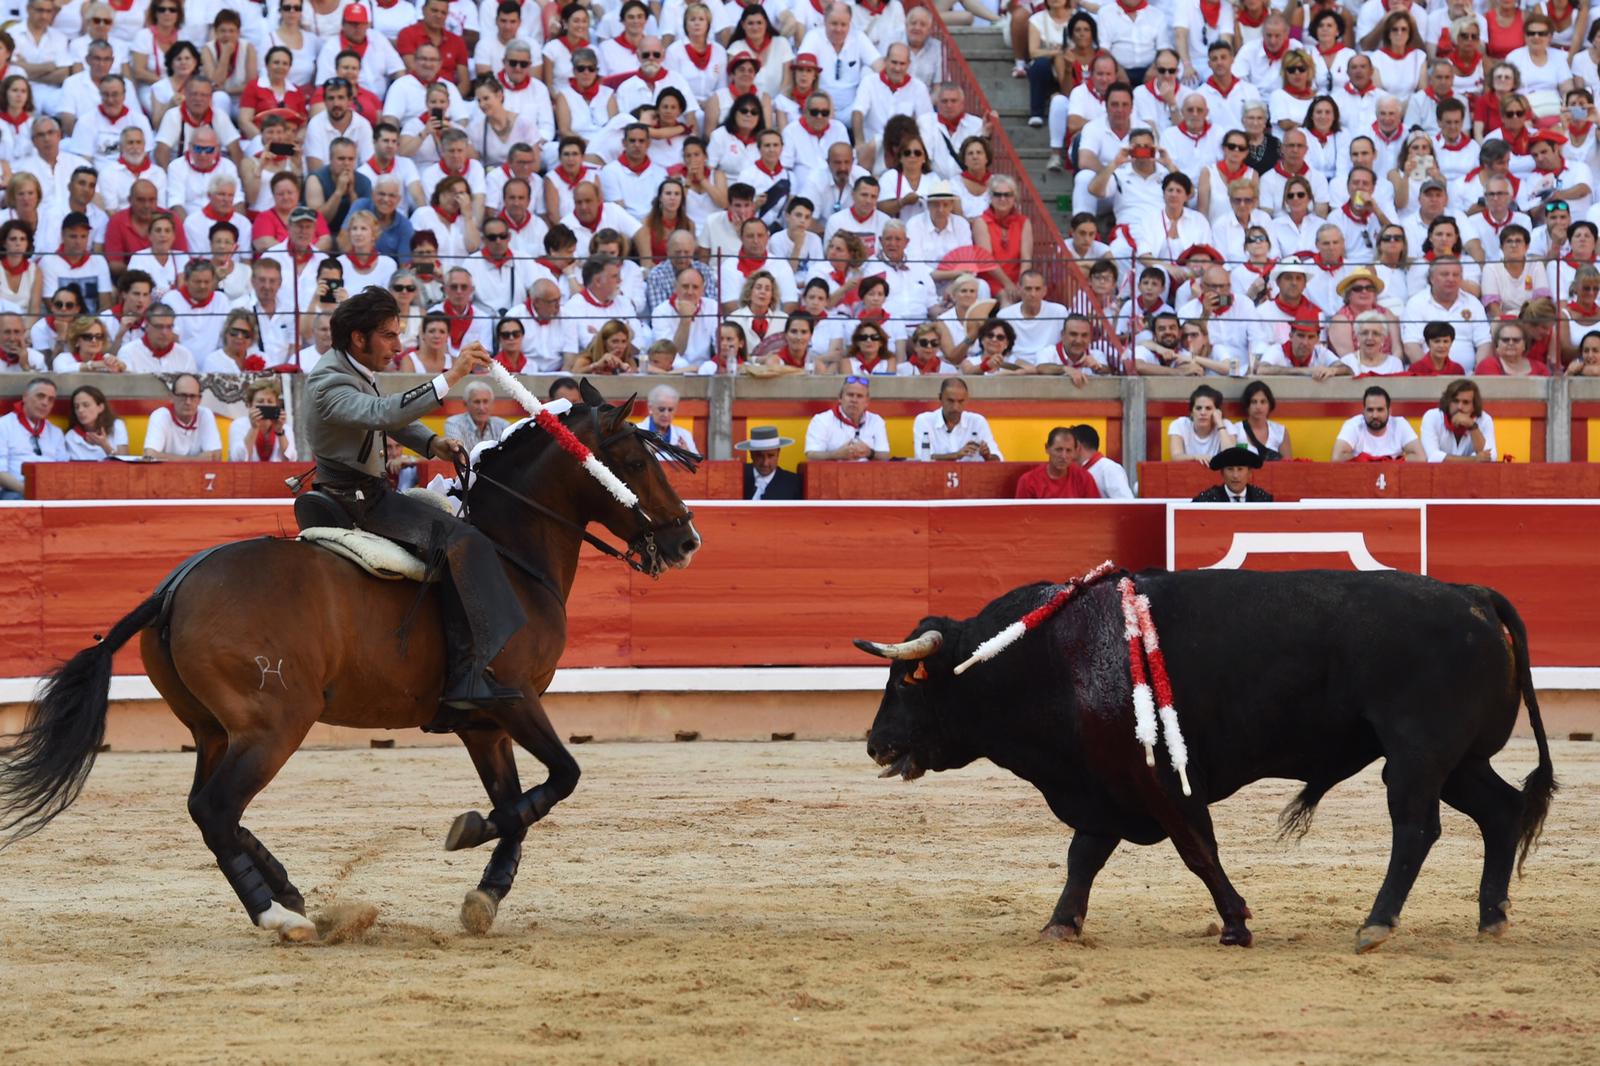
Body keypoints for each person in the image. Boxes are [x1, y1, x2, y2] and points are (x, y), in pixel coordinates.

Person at [303, 285, 522, 715]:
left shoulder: (348, 366)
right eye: (389, 335)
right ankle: (465, 676)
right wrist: (453, 375)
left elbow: (384, 413)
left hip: (361, 490)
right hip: (359, 500)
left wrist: (432, 442)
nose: (398, 346)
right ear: (358, 338)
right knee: (464, 542)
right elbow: (380, 414)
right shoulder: (328, 381)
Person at [0, 376, 66, 498]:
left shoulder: (56, 432)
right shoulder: (3, 425)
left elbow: (63, 469)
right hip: (14, 491)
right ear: (25, 397)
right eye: (40, 396)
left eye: (51, 399)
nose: (45, 403)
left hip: (50, 491)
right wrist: (30, 491)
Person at [911, 378, 1002, 462]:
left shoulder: (977, 421)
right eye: (950, 401)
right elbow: (922, 459)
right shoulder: (924, 421)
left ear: (967, 399)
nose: (955, 407)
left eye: (961, 401)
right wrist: (956, 455)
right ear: (940, 398)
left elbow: (998, 460)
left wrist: (987, 456)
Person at [804, 375, 889, 461]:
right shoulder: (821, 420)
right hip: (833, 469)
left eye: (859, 396)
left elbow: (885, 456)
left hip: (867, 469)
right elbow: (812, 455)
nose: (854, 400)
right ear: (840, 398)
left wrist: (870, 453)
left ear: (867, 402)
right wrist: (836, 455)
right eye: (850, 395)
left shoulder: (876, 421)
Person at [1332, 385, 1426, 462]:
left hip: (1392, 475)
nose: (1375, 415)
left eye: (1380, 410)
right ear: (1363, 411)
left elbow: (1420, 457)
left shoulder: (1400, 424)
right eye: (1370, 410)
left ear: (1389, 411)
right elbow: (1337, 458)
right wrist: (1375, 462)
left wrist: (1387, 463)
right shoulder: (1353, 425)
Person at [143, 373, 222, 460]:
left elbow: (216, 457)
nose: (188, 402)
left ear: (199, 400)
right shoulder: (160, 416)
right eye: (183, 396)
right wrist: (195, 460)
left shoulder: (205, 414)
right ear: (172, 397)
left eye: (193, 396)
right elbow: (149, 456)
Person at [1419, 379, 1497, 463]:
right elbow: (1432, 457)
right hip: (1439, 471)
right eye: (1455, 401)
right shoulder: (1432, 416)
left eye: (1466, 402)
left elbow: (1490, 457)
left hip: (1472, 471)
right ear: (1448, 402)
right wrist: (1474, 459)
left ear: (1474, 405)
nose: (1460, 407)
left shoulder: (1484, 419)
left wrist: (1472, 426)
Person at [1014, 426, 1100, 499]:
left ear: (1075, 451)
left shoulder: (1084, 479)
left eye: (1069, 450)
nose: (1063, 456)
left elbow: (1095, 511)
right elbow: (1021, 513)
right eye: (1059, 450)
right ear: (1047, 448)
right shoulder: (1028, 481)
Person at [227, 379, 295, 463]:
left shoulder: (285, 428)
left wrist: (280, 432)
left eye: (270, 402)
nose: (266, 405)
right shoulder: (239, 425)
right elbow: (239, 459)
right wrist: (254, 428)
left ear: (276, 404)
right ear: (250, 404)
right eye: (260, 401)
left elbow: (290, 460)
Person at [1169, 384, 1235, 463]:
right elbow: (1176, 457)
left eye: (1208, 408)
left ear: (1217, 412)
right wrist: (1196, 457)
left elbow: (1231, 457)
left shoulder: (1225, 425)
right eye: (1198, 408)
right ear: (1191, 412)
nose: (1203, 412)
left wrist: (1220, 424)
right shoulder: (1180, 424)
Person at [736, 424, 802, 501]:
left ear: (778, 453)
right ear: (751, 454)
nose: (765, 463)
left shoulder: (793, 483)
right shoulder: (737, 476)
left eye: (770, 456)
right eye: (759, 456)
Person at [64, 384, 128, 461]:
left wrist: (104, 445)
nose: (80, 410)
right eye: (76, 407)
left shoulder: (117, 425)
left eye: (86, 405)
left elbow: (124, 461)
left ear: (100, 407)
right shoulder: (71, 437)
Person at [1069, 424, 1134, 499]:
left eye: (1069, 446)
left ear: (1078, 445)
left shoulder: (1109, 469)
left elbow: (1125, 502)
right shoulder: (1073, 471)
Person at [1192, 445, 1273, 503]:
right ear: (1222, 473)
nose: (1235, 475)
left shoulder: (1262, 499)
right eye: (1230, 469)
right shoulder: (1207, 500)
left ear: (1249, 473)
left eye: (1240, 469)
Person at [443, 379, 508, 449]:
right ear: (466, 404)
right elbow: (459, 453)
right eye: (477, 402)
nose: (481, 407)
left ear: (492, 404)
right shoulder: (454, 424)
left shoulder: (503, 426)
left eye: (485, 401)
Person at [637, 384, 698, 454]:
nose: (666, 414)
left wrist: (687, 454)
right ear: (650, 408)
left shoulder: (684, 435)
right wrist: (645, 453)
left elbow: (698, 461)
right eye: (661, 409)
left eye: (670, 410)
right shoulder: (635, 433)